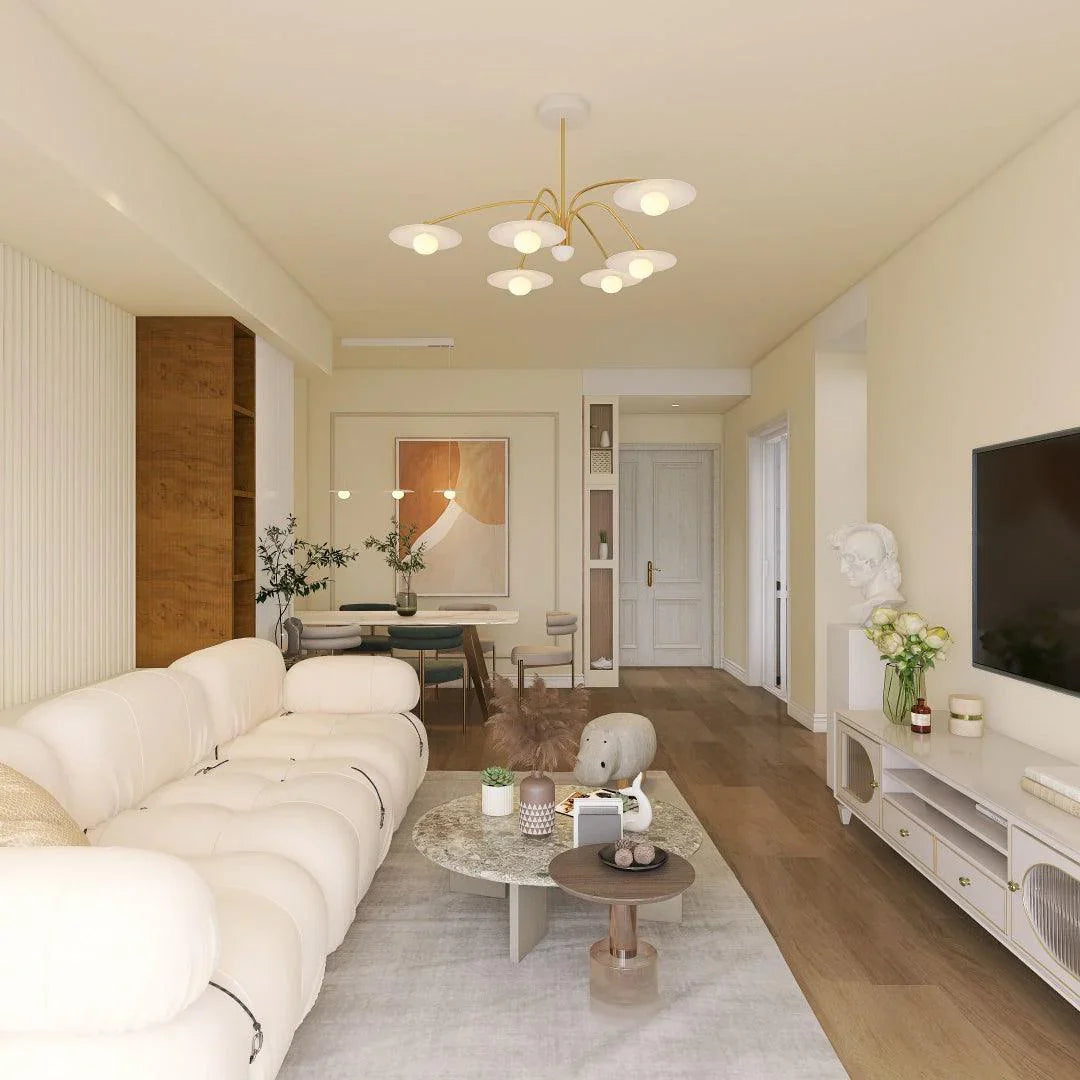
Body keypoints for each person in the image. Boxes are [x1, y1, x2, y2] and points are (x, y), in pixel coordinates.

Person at [827, 523, 905, 624]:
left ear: (874, 561)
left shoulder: (884, 602)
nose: (843, 569)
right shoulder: (866, 607)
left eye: (850, 558)